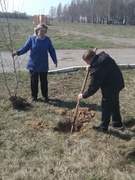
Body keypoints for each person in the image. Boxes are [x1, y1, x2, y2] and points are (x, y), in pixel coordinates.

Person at [78, 49, 125, 132]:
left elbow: (93, 87)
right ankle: (117, 124)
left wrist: (83, 95)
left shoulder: (97, 68)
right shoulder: (103, 58)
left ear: (91, 59)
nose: (87, 64)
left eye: (87, 62)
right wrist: (91, 66)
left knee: (106, 106)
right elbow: (99, 67)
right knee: (114, 103)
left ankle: (103, 127)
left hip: (111, 86)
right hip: (118, 82)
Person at [12, 23, 58, 102]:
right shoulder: (31, 39)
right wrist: (17, 52)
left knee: (44, 81)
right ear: (37, 31)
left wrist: (55, 60)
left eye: (44, 31)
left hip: (43, 64)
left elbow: (51, 50)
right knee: (34, 81)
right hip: (33, 64)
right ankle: (34, 96)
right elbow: (25, 48)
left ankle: (45, 96)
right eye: (41, 31)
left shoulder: (47, 40)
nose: (42, 32)